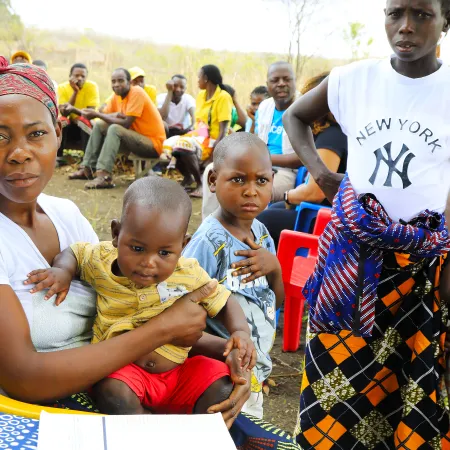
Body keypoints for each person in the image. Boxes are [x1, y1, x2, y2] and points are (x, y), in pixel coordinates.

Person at [0, 55, 301, 450]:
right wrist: (164, 330)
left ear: (58, 133)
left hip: (132, 389)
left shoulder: (66, 214)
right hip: (43, 414)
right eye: (0, 135)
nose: (18, 152)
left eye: (35, 134)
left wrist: (230, 352)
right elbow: (24, 377)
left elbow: (138, 306)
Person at [283, 0, 450, 447]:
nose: (406, 27)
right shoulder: (354, 80)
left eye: (422, 15)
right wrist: (320, 174)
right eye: (395, 13)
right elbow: (294, 116)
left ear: (445, 21)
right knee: (333, 393)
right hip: (349, 266)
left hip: (421, 267)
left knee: (407, 389)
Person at [27, 176, 256, 415]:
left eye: (165, 252)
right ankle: (145, 430)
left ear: (183, 246)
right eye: (137, 248)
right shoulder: (102, 260)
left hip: (179, 372)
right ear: (116, 234)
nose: (148, 262)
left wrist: (240, 332)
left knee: (223, 386)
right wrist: (63, 271)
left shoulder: (188, 272)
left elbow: (224, 300)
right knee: (111, 391)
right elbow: (75, 253)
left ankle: (196, 432)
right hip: (124, 372)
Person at [183, 133, 284, 419]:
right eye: (239, 179)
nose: (251, 190)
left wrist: (274, 266)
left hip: (254, 372)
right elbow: (181, 311)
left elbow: (274, 303)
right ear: (213, 181)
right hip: (222, 374)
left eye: (261, 181)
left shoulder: (262, 235)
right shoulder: (209, 243)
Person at [257, 72, 347, 247]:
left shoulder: (332, 136)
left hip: (323, 218)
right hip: (318, 211)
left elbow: (315, 192)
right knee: (274, 210)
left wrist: (287, 196)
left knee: (263, 220)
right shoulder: (333, 133)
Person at [201, 62, 300, 218]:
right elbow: (254, 141)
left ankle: (248, 236)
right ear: (268, 84)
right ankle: (210, 227)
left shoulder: (303, 107)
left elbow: (300, 159)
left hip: (285, 171)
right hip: (256, 164)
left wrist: (263, 160)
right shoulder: (265, 107)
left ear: (295, 82)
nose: (281, 84)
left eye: (287, 79)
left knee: (248, 189)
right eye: (275, 80)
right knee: (212, 170)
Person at [68, 68, 166, 189]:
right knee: (100, 125)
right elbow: (104, 115)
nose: (116, 84)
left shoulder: (137, 92)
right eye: (113, 81)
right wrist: (83, 111)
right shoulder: (117, 96)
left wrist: (98, 115)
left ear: (130, 82)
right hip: (134, 140)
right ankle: (87, 168)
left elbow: (125, 123)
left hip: (152, 145)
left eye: (120, 81)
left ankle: (104, 177)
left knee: (115, 129)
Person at [162, 64, 233, 198]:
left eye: (199, 77)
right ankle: (188, 178)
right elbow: (199, 124)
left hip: (215, 141)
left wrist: (213, 157)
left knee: (183, 145)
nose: (197, 80)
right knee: (169, 145)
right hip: (200, 137)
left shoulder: (223, 97)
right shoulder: (201, 95)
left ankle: (201, 184)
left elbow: (223, 132)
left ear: (206, 78)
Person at [57, 63, 100, 165]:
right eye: (76, 75)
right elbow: (64, 113)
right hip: (69, 127)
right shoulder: (62, 87)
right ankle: (59, 157)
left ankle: (87, 160)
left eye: (83, 76)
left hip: (85, 128)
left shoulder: (92, 87)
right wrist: (75, 91)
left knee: (83, 121)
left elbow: (90, 113)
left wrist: (74, 111)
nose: (79, 78)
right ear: (70, 76)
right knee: (61, 121)